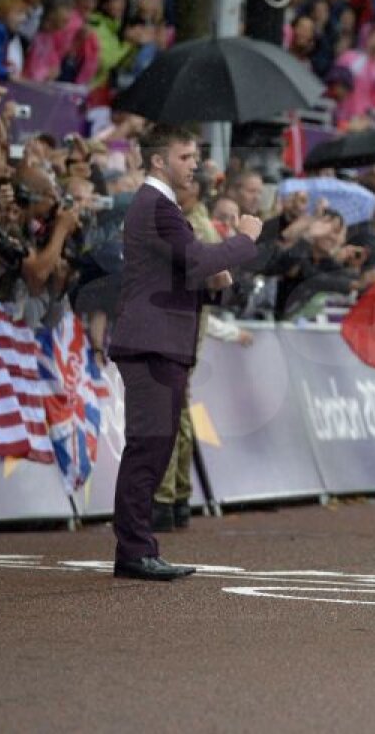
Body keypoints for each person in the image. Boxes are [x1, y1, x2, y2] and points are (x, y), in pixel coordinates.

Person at [107, 125, 263, 581]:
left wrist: (213, 272)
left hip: (160, 341)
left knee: (154, 447)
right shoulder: (155, 204)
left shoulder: (160, 205)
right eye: (185, 156)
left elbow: (187, 267)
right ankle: (134, 550)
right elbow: (194, 260)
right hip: (151, 342)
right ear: (158, 161)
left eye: (195, 156)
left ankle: (138, 548)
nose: (194, 164)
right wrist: (244, 240)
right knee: (149, 447)